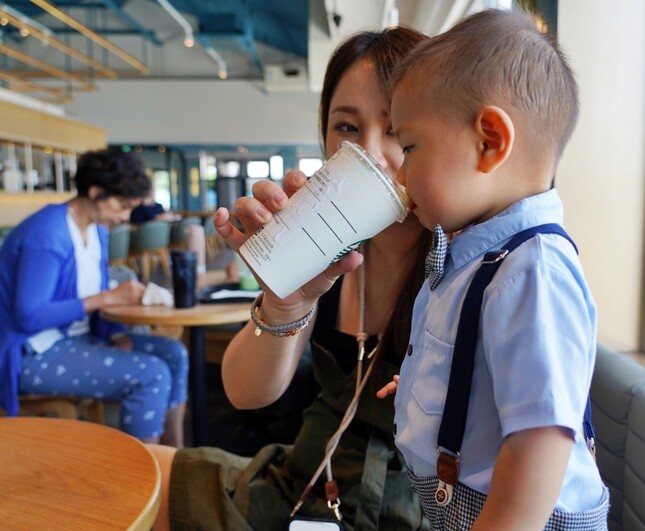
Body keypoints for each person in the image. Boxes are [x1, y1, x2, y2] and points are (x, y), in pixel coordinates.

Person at [147, 26, 432, 531]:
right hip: (305, 484)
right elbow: (246, 393)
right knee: (133, 475)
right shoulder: (328, 247)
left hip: (413, 509)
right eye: (347, 127)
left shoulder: (468, 261)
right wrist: (284, 304)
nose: (369, 150)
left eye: (395, 128)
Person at [387, 8, 609, 530]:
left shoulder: (531, 271)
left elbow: (538, 446)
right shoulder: (479, 260)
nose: (401, 173)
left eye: (409, 147)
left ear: (489, 141)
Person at [0, 148, 189, 447]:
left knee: (174, 354)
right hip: (27, 353)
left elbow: (98, 288)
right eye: (123, 205)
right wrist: (106, 298)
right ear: (95, 192)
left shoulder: (98, 229)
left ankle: (175, 456)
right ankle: (147, 471)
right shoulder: (48, 234)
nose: (126, 216)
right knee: (151, 375)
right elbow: (30, 316)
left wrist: (115, 332)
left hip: (76, 338)